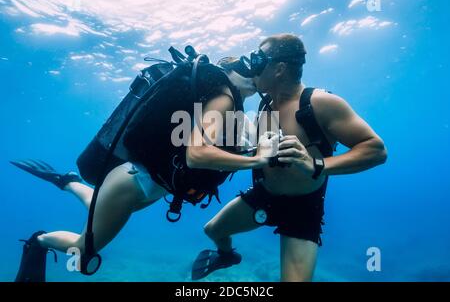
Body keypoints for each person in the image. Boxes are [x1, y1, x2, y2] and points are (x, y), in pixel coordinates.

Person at [11, 57, 278, 282]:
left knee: (98, 204)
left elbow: (222, 145)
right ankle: (40, 241)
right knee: (84, 250)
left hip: (149, 185)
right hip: (133, 182)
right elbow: (197, 154)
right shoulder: (224, 98)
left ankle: (68, 181)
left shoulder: (223, 103)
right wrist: (257, 160)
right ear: (246, 79)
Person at [191, 33, 388, 282]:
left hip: (304, 209)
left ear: (279, 69)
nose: (252, 66)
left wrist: (316, 164)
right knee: (213, 230)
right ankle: (227, 256)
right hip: (265, 196)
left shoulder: (320, 103)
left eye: (258, 59)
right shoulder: (264, 106)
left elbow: (376, 150)